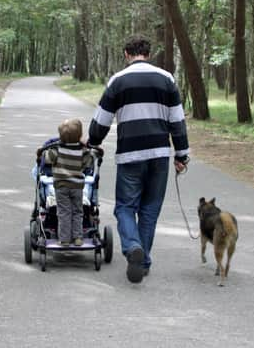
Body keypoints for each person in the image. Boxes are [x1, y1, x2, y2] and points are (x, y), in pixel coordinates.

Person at [88, 35, 190, 283]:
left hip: (130, 154)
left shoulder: (118, 81)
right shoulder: (167, 79)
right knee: (150, 210)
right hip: (158, 154)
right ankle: (142, 261)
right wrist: (181, 154)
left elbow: (102, 119)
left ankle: (133, 246)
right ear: (149, 53)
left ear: (126, 54)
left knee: (125, 206)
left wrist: (92, 142)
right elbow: (177, 120)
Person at [43, 118, 94, 246]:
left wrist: (44, 152)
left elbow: (48, 160)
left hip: (61, 186)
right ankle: (78, 237)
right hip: (77, 186)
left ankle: (64, 239)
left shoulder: (57, 150)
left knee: (64, 212)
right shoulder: (83, 150)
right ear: (80, 136)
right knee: (77, 211)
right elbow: (88, 163)